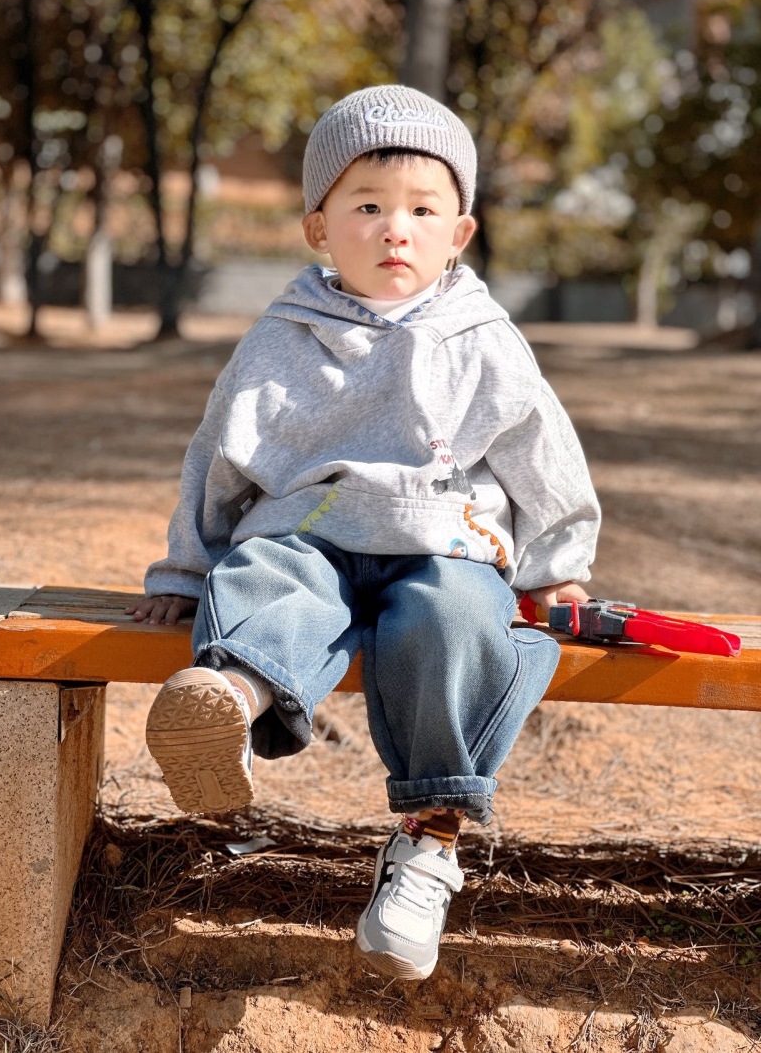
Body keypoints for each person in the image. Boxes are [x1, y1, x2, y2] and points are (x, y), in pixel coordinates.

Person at [126, 84, 600, 982]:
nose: (396, 231)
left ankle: (429, 841)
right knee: (272, 575)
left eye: (423, 210)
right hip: (312, 528)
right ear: (319, 227)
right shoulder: (283, 336)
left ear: (460, 232)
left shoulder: (483, 338)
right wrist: (186, 570)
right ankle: (230, 698)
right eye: (368, 207)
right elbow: (219, 458)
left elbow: (546, 457)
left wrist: (558, 565)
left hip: (445, 541)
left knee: (458, 621)